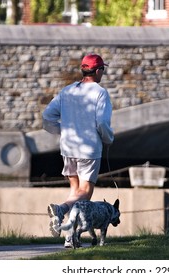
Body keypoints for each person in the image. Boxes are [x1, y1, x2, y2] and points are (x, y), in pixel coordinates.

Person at [42, 54, 114, 240]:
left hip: (68, 148)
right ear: (98, 71)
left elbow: (47, 117)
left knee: (75, 192)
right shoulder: (100, 93)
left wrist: (64, 130)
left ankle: (69, 238)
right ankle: (60, 210)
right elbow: (102, 123)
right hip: (89, 150)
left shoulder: (67, 91)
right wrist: (108, 138)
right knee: (84, 194)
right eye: (102, 70)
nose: (103, 73)